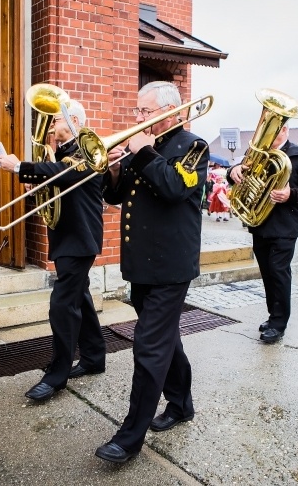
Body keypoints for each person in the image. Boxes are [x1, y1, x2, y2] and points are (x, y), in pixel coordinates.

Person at [95, 81, 209, 463]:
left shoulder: (193, 146)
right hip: (141, 265)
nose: (139, 119)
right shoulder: (142, 146)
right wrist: (112, 170)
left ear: (173, 112)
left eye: (145, 112)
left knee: (148, 347)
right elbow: (114, 195)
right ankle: (180, 403)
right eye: (138, 112)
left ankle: (129, 439)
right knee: (164, 340)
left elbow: (175, 187)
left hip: (170, 267)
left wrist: (141, 151)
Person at [0, 99, 106, 402]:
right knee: (79, 297)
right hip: (68, 237)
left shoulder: (87, 149)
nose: (49, 125)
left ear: (71, 119)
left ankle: (56, 375)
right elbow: (56, 178)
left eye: (54, 119)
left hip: (79, 238)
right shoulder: (64, 151)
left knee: (62, 305)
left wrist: (19, 167)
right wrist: (42, 169)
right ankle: (95, 357)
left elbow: (63, 173)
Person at [227, 123, 298, 344]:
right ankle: (273, 316)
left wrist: (291, 194)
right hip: (260, 221)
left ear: (285, 131)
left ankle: (279, 323)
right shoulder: (257, 152)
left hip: (285, 224)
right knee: (267, 272)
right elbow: (234, 173)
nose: (269, 135)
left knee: (278, 271)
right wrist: (233, 171)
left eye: (276, 130)